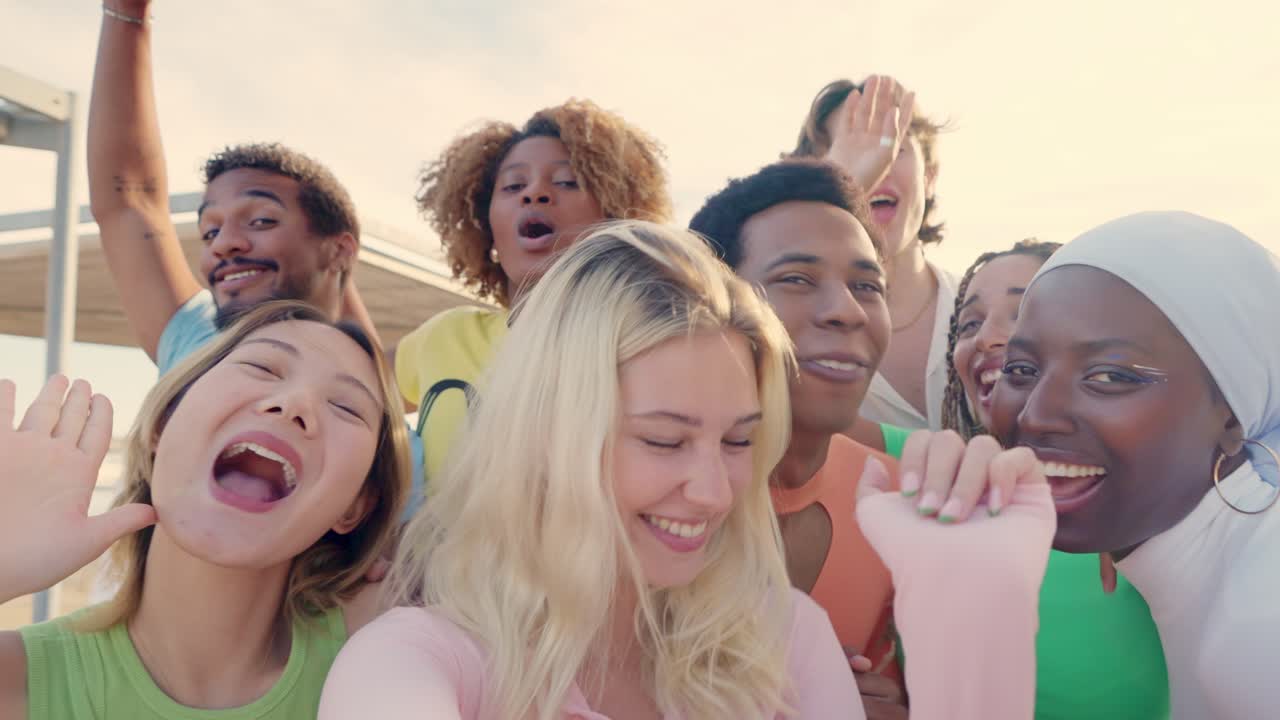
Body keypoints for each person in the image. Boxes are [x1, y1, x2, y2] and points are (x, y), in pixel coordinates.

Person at [320, 221, 864, 719]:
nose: (714, 492)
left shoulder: (787, 639)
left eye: (738, 440)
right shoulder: (420, 660)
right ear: (545, 435)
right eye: (664, 440)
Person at [906, 212, 1280, 718]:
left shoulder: (1256, 628)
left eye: (1109, 376)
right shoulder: (1198, 566)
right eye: (1021, 370)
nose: (1036, 415)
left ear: (1234, 414)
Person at [0, 301, 412, 719]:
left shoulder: (388, 654)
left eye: (345, 407)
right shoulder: (18, 681)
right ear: (164, 421)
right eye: (263, 368)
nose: (294, 403)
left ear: (356, 506)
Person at [690, 159, 906, 716]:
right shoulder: (638, 497)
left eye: (867, 286)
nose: (847, 311)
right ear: (709, 300)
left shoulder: (904, 506)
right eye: (797, 279)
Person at [941, 239, 1170, 719]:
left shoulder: (1154, 504)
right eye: (969, 323)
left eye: (1023, 312)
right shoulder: (918, 475)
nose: (988, 337)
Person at [89, 1, 378, 374]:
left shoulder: (381, 403)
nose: (224, 243)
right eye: (210, 231)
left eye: (260, 221)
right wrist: (127, 12)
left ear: (340, 249)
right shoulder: (195, 345)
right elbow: (129, 195)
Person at [392, 101, 671, 483]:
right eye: (513, 185)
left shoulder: (646, 350)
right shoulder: (443, 337)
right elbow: (352, 388)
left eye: (566, 182)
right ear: (483, 222)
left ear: (618, 216)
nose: (535, 193)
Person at [792, 76, 956, 432]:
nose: (876, 165)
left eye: (893, 146)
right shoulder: (788, 328)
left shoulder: (978, 306)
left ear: (929, 177)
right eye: (851, 147)